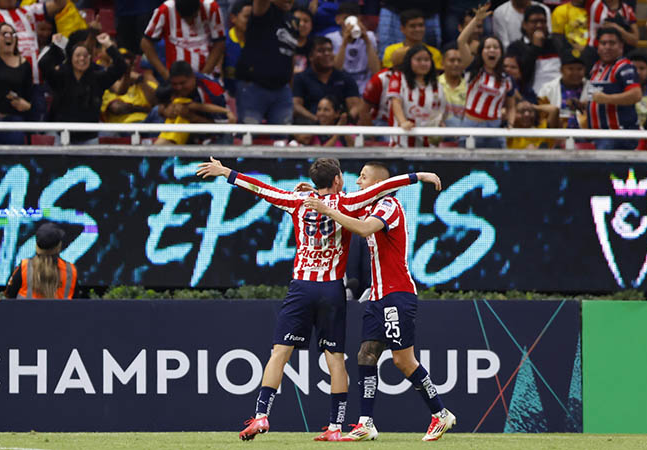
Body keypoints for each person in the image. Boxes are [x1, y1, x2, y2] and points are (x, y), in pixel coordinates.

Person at [195, 157, 442, 442]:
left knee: (279, 353)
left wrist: (227, 172)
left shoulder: (297, 201)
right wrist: (418, 175)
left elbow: (261, 189)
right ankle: (336, 427)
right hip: (331, 290)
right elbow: (383, 187)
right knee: (335, 358)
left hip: (301, 287)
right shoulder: (348, 202)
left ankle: (262, 415)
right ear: (337, 180)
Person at [302, 161, 455, 442]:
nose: (358, 181)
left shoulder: (388, 206)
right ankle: (366, 422)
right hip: (377, 296)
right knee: (365, 355)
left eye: (363, 177)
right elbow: (344, 207)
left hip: (397, 293)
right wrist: (317, 195)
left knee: (403, 361)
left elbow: (363, 229)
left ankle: (441, 413)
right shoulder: (369, 206)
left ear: (378, 183)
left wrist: (327, 209)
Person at [39, 32, 127, 145]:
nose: (82, 59)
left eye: (85, 56)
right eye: (78, 55)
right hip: (62, 137)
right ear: (71, 58)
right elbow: (43, 64)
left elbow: (121, 66)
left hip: (89, 138)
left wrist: (108, 45)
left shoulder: (98, 78)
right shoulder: (60, 78)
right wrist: (56, 45)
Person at [235, 0, 297, 125]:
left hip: (282, 90)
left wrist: (289, 88)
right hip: (254, 87)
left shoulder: (292, 20)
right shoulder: (264, 10)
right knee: (248, 136)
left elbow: (291, 55)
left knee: (281, 139)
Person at [152, 61, 235, 144]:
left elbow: (221, 128)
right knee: (155, 111)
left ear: (193, 77)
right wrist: (164, 111)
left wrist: (191, 116)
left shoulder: (213, 91)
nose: (178, 88)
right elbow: (159, 103)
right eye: (174, 84)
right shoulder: (171, 86)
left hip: (216, 134)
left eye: (182, 83)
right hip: (176, 131)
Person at [584, 27, 641, 150]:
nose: (607, 47)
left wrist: (607, 99)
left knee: (604, 168)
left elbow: (636, 94)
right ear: (598, 47)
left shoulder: (624, 66)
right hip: (597, 134)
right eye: (603, 43)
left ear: (621, 46)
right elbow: (596, 100)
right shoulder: (596, 67)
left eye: (612, 43)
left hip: (617, 135)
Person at [142, 0, 226, 81]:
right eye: (184, 18)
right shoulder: (165, 10)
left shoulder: (211, 7)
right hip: (177, 81)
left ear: (199, 8)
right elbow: (145, 43)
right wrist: (164, 73)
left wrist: (204, 75)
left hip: (207, 76)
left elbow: (220, 42)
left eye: (193, 16)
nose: (189, 22)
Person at [458, 35, 516, 149]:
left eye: (496, 47)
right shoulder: (473, 70)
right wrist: (477, 18)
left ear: (501, 53)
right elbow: (461, 41)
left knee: (499, 165)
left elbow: (511, 106)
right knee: (467, 165)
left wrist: (510, 123)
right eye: (488, 47)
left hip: (494, 127)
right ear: (481, 52)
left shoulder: (507, 79)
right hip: (471, 126)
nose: (492, 50)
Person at [292, 36, 364, 125]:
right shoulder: (301, 78)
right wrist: (317, 120)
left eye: (329, 50)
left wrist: (342, 122)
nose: (327, 53)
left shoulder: (345, 78)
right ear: (311, 56)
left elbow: (355, 106)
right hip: (310, 129)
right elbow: (296, 106)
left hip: (340, 130)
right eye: (321, 51)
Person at [387, 44, 447, 147]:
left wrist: (440, 124)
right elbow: (395, 102)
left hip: (429, 146)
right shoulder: (399, 77)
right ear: (409, 61)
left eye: (426, 60)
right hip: (402, 142)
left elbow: (439, 111)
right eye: (418, 60)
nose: (423, 63)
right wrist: (403, 122)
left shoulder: (436, 84)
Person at [4, 222, 78, 300]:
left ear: (36, 245)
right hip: (60, 312)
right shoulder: (70, 270)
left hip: (27, 311)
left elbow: (9, 294)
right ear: (58, 246)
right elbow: (76, 300)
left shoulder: (24, 267)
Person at [506, 4, 562, 95]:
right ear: (524, 25)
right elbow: (522, 76)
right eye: (534, 21)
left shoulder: (557, 44)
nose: (539, 25)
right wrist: (535, 47)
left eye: (543, 21)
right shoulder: (515, 47)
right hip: (532, 96)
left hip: (558, 93)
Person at [326, 2, 380, 94]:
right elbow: (335, 70)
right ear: (338, 20)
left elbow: (376, 71)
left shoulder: (370, 36)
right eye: (346, 18)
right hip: (341, 86)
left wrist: (367, 41)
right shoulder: (331, 38)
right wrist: (344, 43)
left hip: (365, 87)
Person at [101, 49, 158, 125]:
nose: (126, 69)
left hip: (148, 123)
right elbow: (117, 108)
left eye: (130, 65)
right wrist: (145, 109)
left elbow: (156, 103)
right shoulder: (108, 86)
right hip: (124, 126)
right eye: (123, 66)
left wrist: (141, 80)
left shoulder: (145, 83)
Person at [538, 49, 586, 129]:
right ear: (561, 70)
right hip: (555, 136)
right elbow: (540, 117)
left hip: (586, 136)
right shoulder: (547, 89)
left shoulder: (592, 88)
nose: (575, 73)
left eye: (579, 69)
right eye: (571, 69)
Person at [377, 1, 442, 57]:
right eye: (413, 26)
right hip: (394, 8)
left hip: (429, 10)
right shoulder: (390, 51)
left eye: (421, 26)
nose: (417, 29)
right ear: (402, 29)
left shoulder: (435, 53)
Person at [222, 0, 252, 98]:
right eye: (247, 17)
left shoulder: (259, 41)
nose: (251, 21)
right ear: (233, 18)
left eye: (253, 17)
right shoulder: (223, 41)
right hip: (229, 96)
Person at [438, 42, 469, 128]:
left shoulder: (469, 86)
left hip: (464, 134)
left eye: (459, 61)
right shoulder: (434, 84)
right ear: (442, 63)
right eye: (452, 60)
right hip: (439, 135)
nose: (456, 64)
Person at [292, 6, 313, 75]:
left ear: (311, 25)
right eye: (298, 20)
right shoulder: (281, 43)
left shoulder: (315, 46)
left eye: (306, 21)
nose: (301, 24)